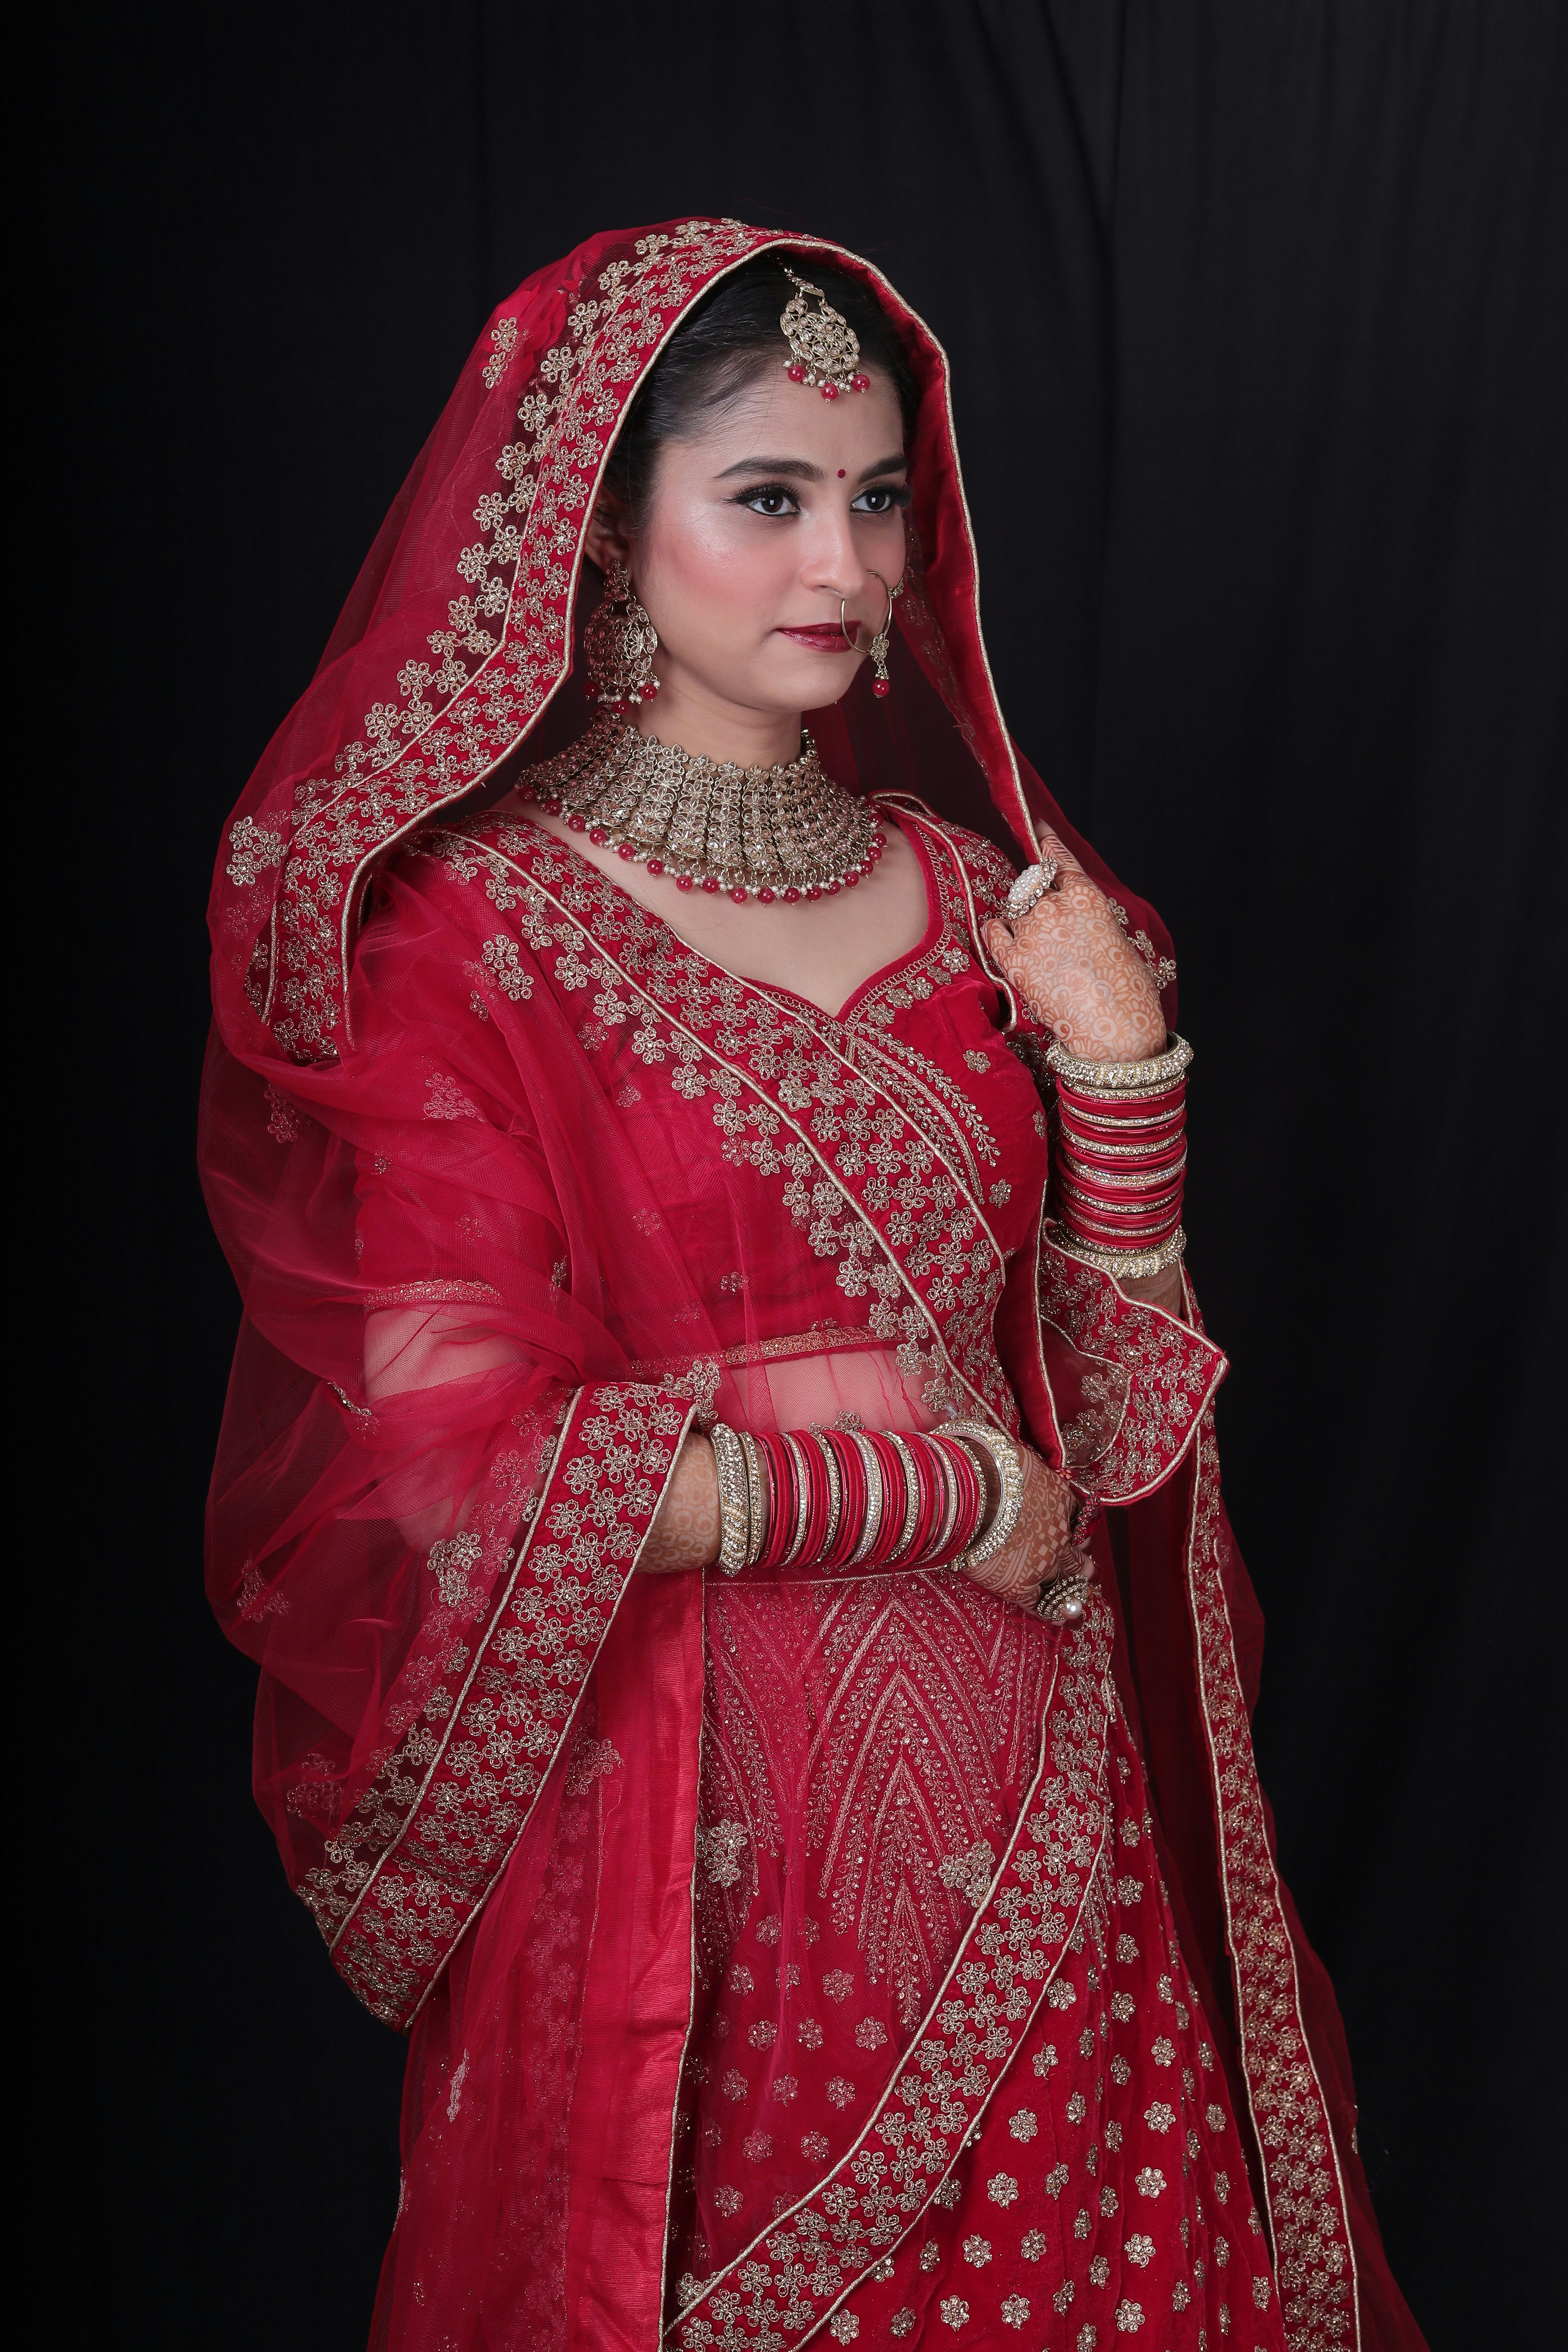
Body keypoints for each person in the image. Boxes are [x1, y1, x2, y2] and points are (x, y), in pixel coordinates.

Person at [202, 221, 1423, 2352]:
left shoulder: (982, 900)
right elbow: (440, 1469)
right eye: (765, 498)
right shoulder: (465, 945)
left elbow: (1117, 1423)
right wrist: (946, 1501)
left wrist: (1124, 1078)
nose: (842, 565)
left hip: (1053, 1811)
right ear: (600, 533)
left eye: (872, 498)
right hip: (700, 1848)